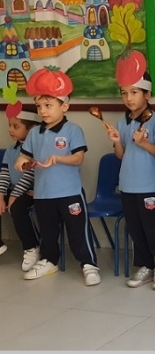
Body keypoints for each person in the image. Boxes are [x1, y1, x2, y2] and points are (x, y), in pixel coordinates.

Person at [15, 67, 100, 286]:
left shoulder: (72, 130)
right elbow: (25, 155)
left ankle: (88, 264)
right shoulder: (34, 133)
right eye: (39, 106)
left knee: (77, 232)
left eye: (48, 105)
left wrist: (58, 158)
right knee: (48, 232)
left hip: (69, 193)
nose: (43, 111)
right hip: (43, 194)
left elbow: (78, 158)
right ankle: (49, 260)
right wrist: (22, 162)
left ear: (64, 106)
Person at [108, 53, 155, 290]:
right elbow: (121, 155)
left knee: (154, 229)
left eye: (134, 92)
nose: (128, 98)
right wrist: (116, 141)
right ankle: (144, 265)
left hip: (150, 186)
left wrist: (143, 143)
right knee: (135, 228)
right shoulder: (122, 122)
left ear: (147, 94)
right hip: (128, 185)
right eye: (124, 93)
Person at [0, 103, 42, 269]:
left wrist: (14, 196)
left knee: (17, 208)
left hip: (31, 191)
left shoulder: (36, 149)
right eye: (10, 125)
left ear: (31, 129)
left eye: (16, 126)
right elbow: (4, 173)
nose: (10, 130)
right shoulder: (11, 150)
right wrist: (1, 195)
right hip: (13, 190)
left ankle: (31, 247)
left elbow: (30, 176)